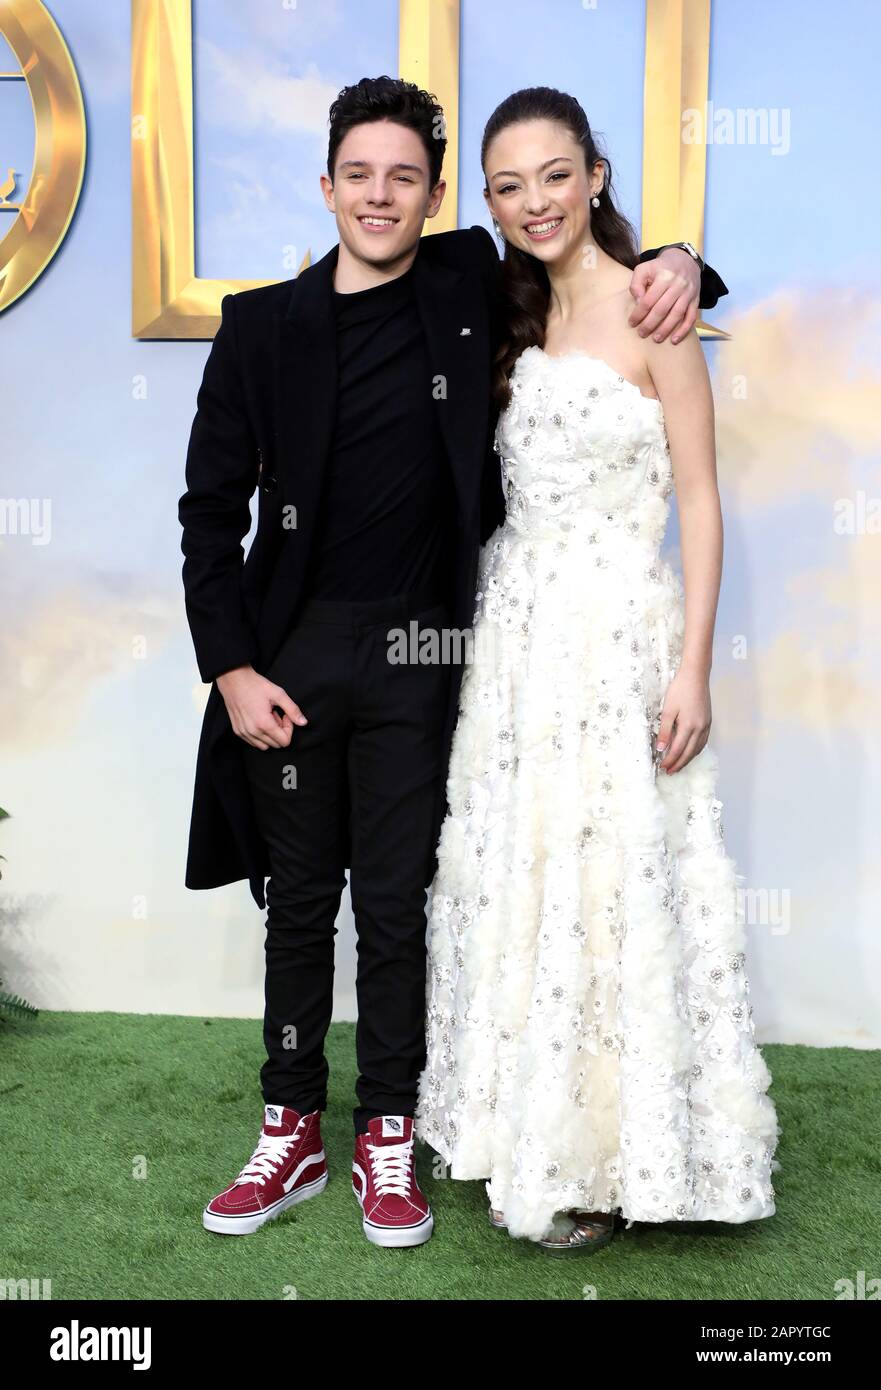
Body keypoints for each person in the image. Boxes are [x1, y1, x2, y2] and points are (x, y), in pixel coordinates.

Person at [178, 75, 724, 1248]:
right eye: (358, 175)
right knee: (296, 908)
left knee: (398, 903)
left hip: (430, 652)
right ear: (326, 186)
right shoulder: (259, 326)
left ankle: (387, 1135)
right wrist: (229, 669)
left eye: (405, 179)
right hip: (290, 658)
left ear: (433, 201)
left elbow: (594, 263)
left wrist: (683, 255)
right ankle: (288, 1129)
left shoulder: (466, 285)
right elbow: (205, 512)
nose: (380, 196)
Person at [414, 87, 780, 1253]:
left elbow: (701, 497)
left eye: (554, 174)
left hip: (619, 633)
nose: (534, 202)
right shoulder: (503, 315)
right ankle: (526, 1133)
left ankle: (624, 1152)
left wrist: (693, 671)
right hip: (518, 645)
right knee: (525, 875)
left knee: (616, 879)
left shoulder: (653, 308)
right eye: (508, 185)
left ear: (596, 174)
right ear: (484, 201)